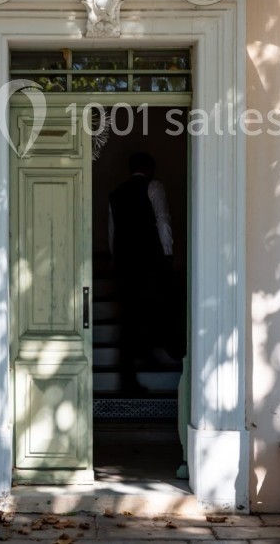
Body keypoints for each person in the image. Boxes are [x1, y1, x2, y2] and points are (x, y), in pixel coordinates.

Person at [108, 151, 178, 395]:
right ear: (150, 168)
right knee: (158, 306)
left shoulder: (115, 194)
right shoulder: (154, 186)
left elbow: (112, 232)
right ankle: (155, 353)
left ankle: (130, 376)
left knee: (129, 319)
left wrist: (116, 260)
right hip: (149, 260)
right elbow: (162, 219)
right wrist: (167, 251)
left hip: (125, 265)